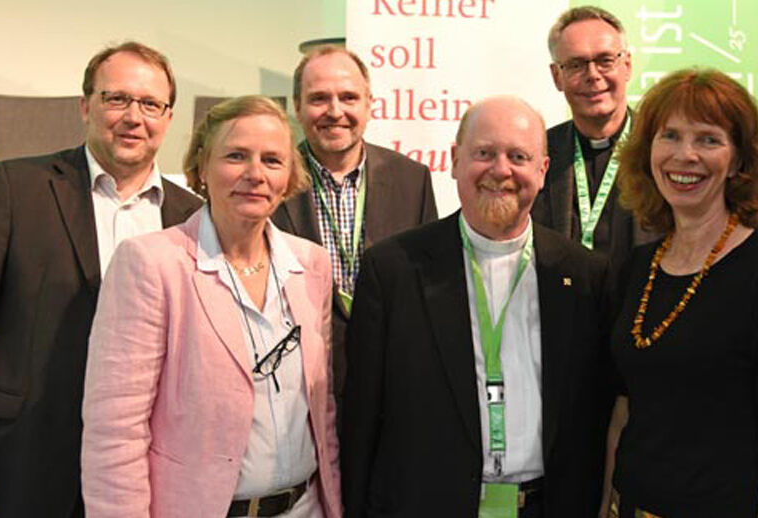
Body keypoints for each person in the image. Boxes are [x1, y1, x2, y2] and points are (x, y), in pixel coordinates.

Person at [0, 41, 202, 518]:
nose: (135, 116)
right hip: (28, 458)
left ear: (168, 118)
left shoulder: (191, 217)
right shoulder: (14, 190)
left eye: (151, 104)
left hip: (146, 468)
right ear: (86, 106)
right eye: (118, 99)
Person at [341, 96, 613, 517]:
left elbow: (598, 415)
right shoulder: (394, 271)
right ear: (453, 160)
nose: (500, 170)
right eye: (484, 153)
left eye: (518, 156)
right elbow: (361, 419)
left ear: (542, 170)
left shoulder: (585, 276)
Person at [81, 96, 340, 517]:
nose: (255, 174)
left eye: (272, 160)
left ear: (289, 174)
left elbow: (321, 410)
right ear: (202, 166)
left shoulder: (311, 264)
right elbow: (115, 431)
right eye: (236, 156)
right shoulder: (150, 264)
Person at [605, 68, 758, 517]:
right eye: (671, 136)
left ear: (739, 161)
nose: (685, 156)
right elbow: (622, 411)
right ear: (648, 152)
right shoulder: (637, 269)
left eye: (708, 139)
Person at [272, 45, 438, 399]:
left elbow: (428, 292)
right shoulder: (270, 182)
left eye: (348, 97)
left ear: (369, 104)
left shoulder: (413, 180)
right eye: (319, 99)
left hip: (391, 384)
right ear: (297, 107)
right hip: (296, 386)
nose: (335, 111)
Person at [533, 6, 660, 266]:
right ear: (557, 76)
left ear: (626, 66)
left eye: (605, 61)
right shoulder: (538, 153)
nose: (593, 75)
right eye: (576, 64)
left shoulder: (662, 150)